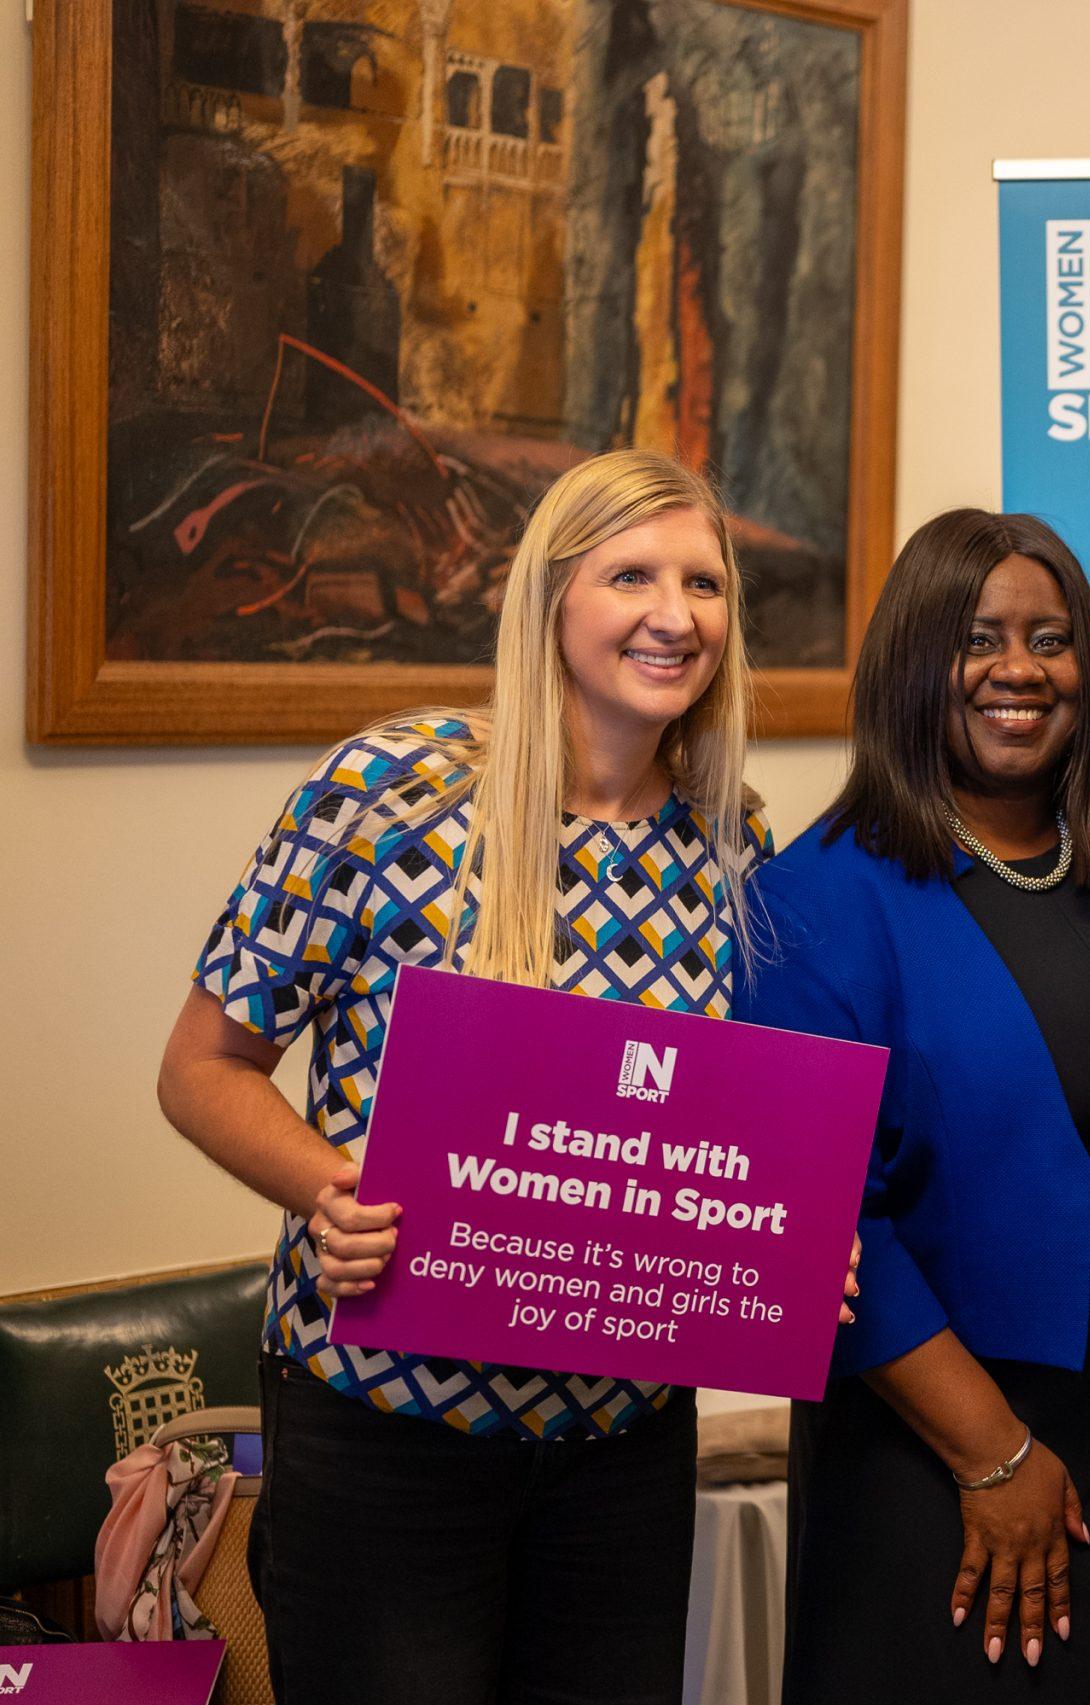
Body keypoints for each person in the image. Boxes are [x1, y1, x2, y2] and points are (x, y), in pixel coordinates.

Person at [157, 450, 773, 1704]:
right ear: (549, 596)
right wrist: (334, 1191)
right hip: (388, 1437)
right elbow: (201, 1068)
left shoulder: (732, 838)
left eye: (704, 582)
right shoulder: (389, 793)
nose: (675, 614)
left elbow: (713, 1135)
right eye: (632, 575)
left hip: (623, 1450)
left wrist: (785, 1240)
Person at [741, 509, 1090, 1703]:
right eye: (977, 639)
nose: (1018, 669)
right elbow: (821, 1232)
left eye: (1048, 639)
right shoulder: (813, 900)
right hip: (951, 1436)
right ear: (911, 661)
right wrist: (991, 1454)